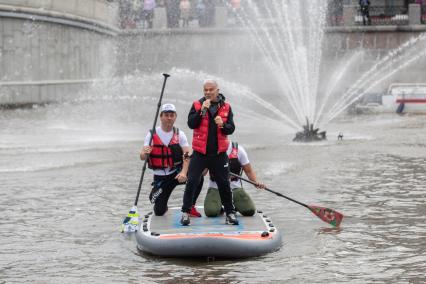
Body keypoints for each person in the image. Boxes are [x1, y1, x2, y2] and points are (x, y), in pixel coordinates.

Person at [180, 79, 238, 226]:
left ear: (217, 90)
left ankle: (230, 213)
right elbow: (191, 124)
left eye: (211, 90)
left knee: (224, 184)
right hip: (200, 153)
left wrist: (223, 124)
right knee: (192, 181)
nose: (207, 92)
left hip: (219, 154)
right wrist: (201, 111)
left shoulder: (226, 107)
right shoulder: (197, 105)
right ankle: (185, 212)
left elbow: (231, 128)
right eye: (205, 90)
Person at [140, 103, 202, 217]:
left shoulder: (180, 134)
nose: (169, 118)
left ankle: (190, 206)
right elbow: (142, 156)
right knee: (159, 212)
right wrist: (144, 153)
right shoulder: (151, 134)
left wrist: (184, 172)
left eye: (171, 115)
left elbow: (187, 155)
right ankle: (158, 193)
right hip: (161, 178)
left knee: (198, 175)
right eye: (166, 115)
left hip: (176, 173)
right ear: (161, 117)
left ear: (175, 117)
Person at [204, 142, 265, 217]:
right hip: (216, 188)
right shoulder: (209, 150)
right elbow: (203, 173)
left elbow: (249, 171)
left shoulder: (239, 150)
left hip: (235, 188)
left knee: (249, 211)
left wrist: (256, 182)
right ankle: (220, 206)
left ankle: (235, 204)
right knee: (211, 212)